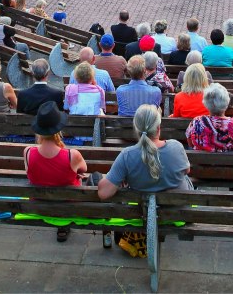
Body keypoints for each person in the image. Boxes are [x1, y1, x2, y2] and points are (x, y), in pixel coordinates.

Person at [98, 104, 193, 203]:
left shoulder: (127, 155)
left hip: (143, 211)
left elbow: (103, 193)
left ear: (136, 128)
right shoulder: (176, 147)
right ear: (158, 128)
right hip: (177, 209)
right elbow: (186, 171)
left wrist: (120, 177)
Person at [24, 102, 88, 242]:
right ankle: (63, 225)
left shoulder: (28, 152)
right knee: (84, 178)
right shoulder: (72, 155)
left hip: (38, 203)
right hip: (69, 204)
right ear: (59, 129)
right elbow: (84, 169)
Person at [186, 83, 233, 152]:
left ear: (206, 103)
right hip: (230, 162)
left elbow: (190, 143)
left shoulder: (196, 122)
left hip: (201, 162)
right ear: (227, 101)